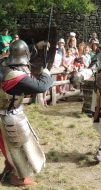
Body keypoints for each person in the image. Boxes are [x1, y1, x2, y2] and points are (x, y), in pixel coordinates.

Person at [0, 40, 52, 186]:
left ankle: (9, 170)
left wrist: (37, 46)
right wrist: (46, 74)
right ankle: (16, 177)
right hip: (9, 116)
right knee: (19, 147)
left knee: (9, 146)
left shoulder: (3, 64)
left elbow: (24, 52)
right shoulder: (15, 77)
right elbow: (41, 86)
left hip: (3, 113)